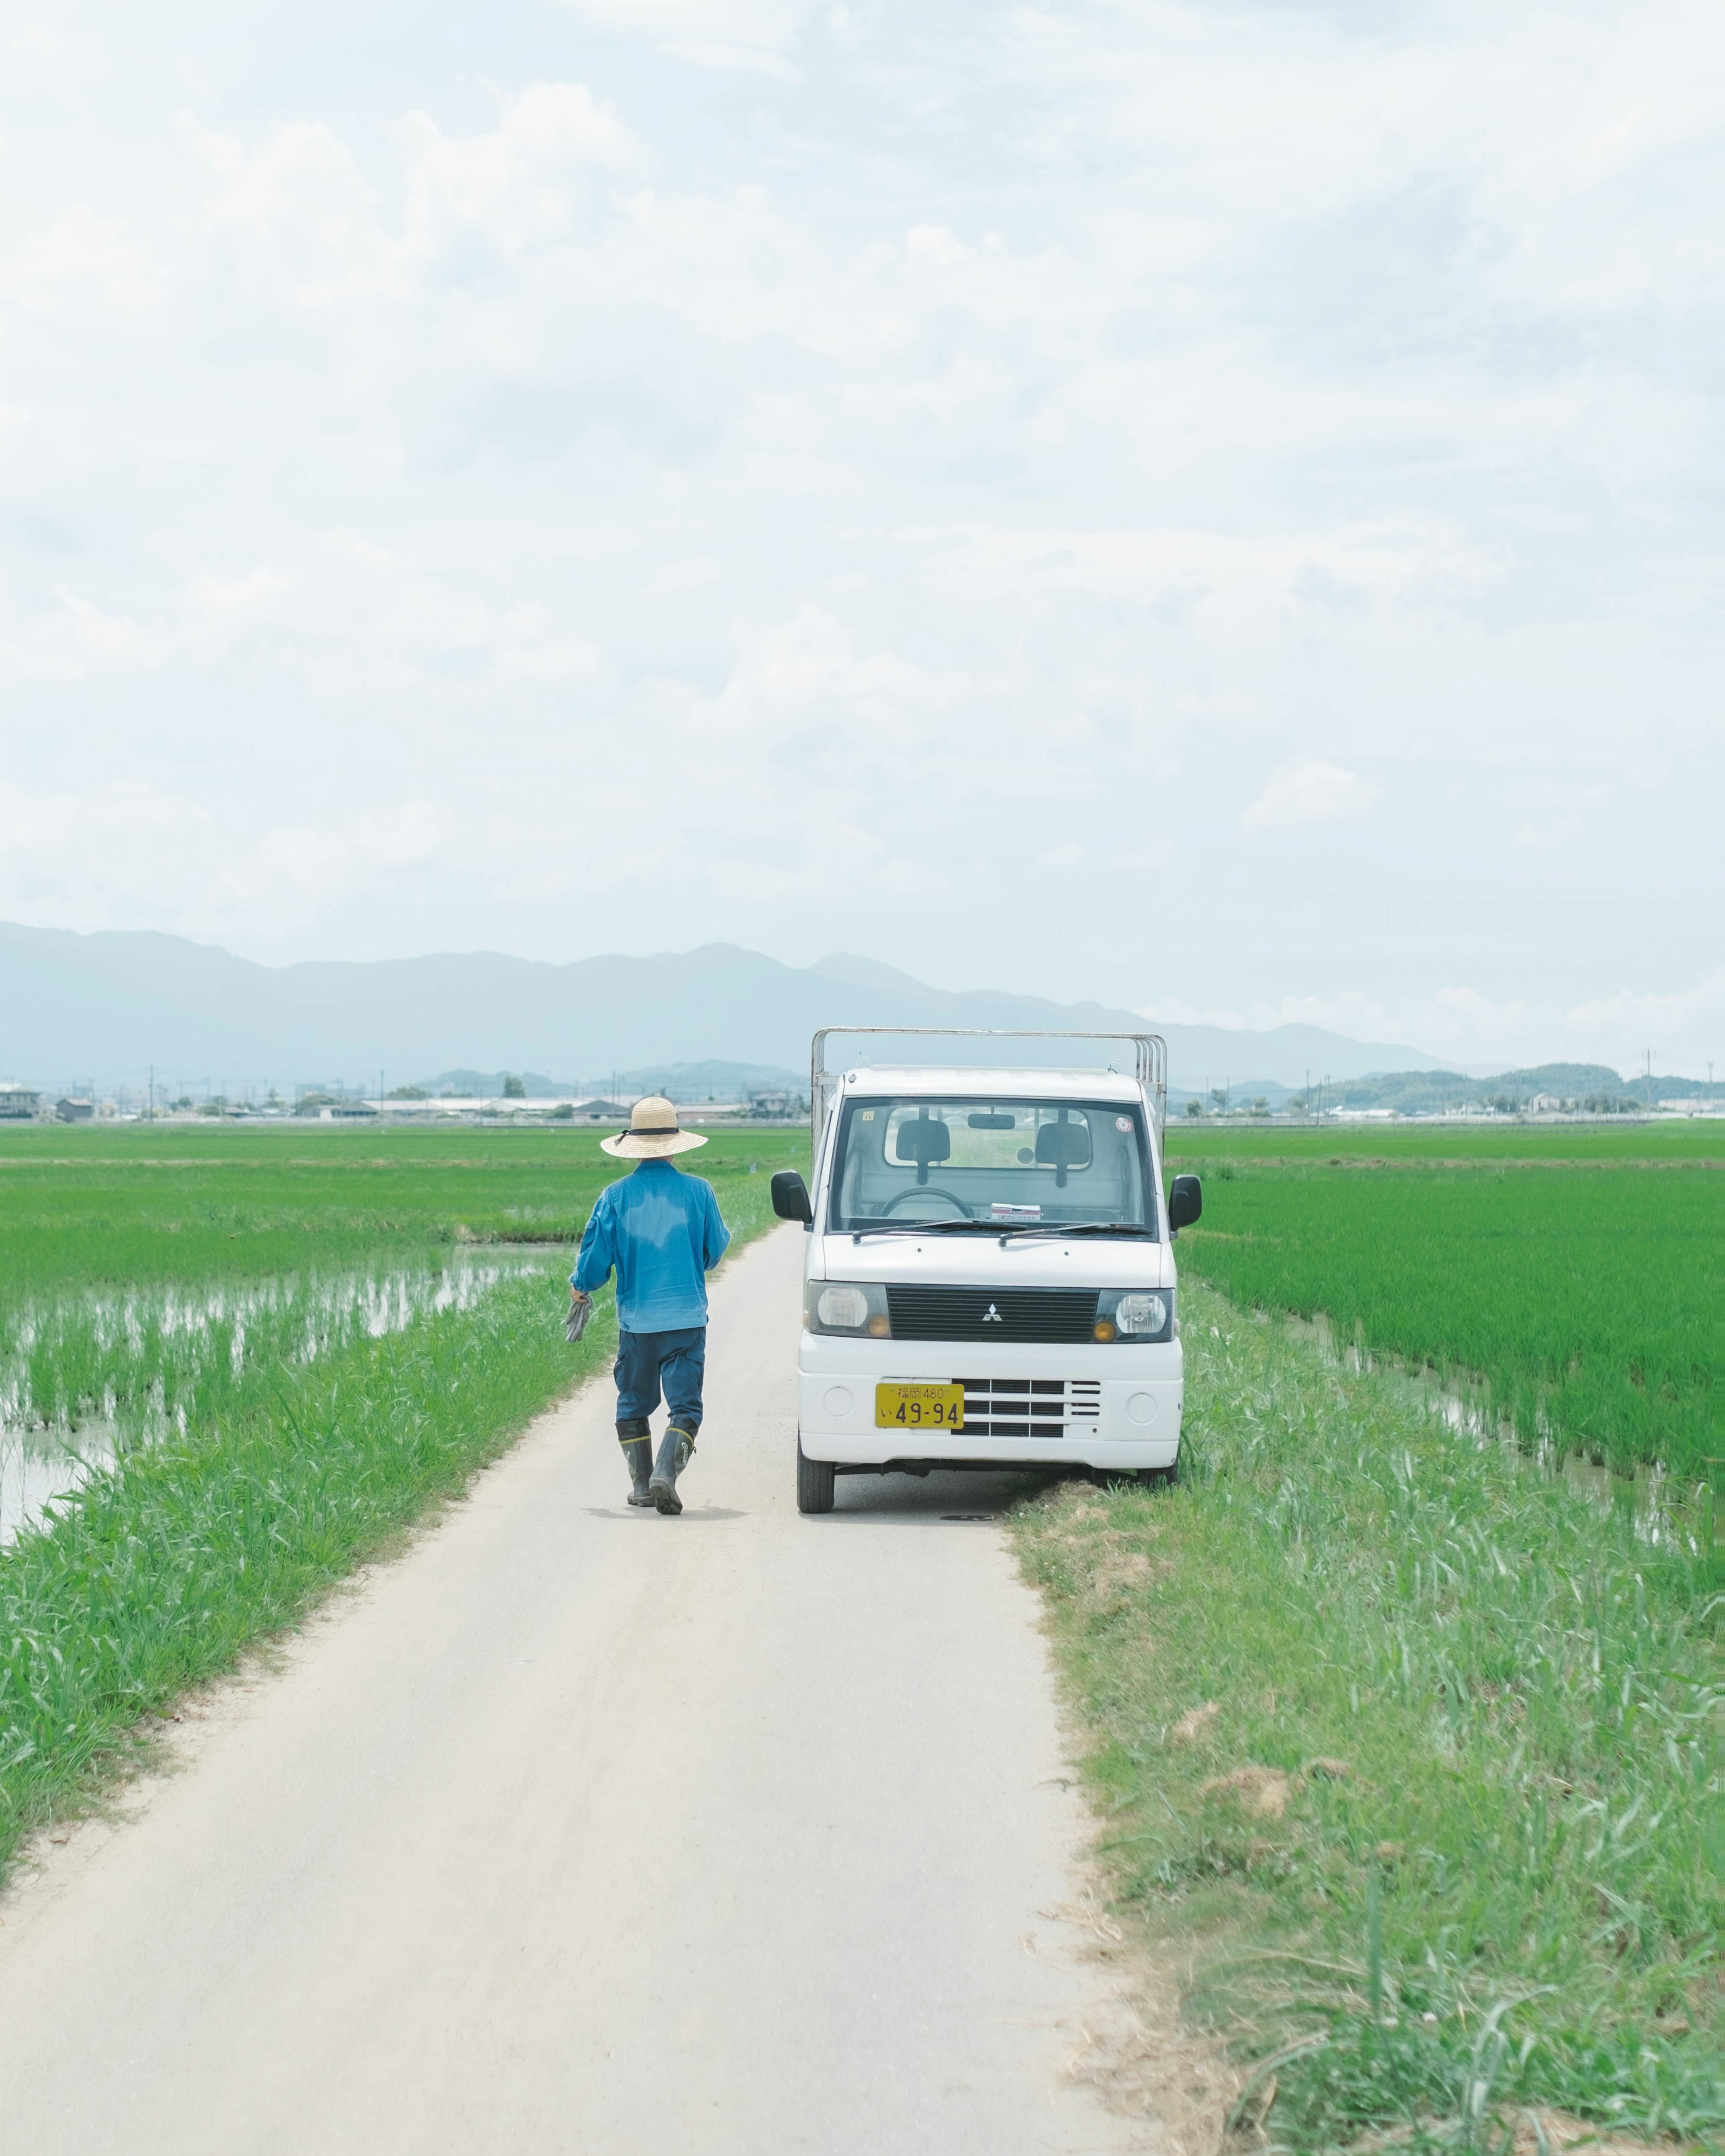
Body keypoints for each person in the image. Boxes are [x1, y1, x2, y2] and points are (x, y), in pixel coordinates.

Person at [568, 1097, 731, 1515]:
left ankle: (642, 1485)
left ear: (634, 1147)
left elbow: (595, 1257)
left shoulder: (616, 1196)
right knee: (686, 1406)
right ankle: (666, 1475)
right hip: (686, 1318)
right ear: (675, 1144)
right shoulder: (699, 1191)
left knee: (633, 1402)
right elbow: (715, 1251)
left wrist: (580, 1287)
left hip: (637, 1323)